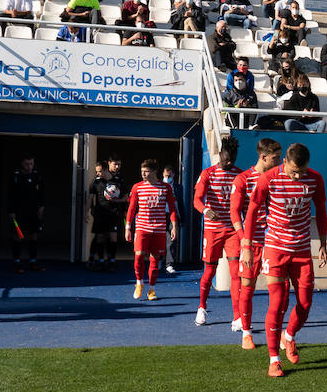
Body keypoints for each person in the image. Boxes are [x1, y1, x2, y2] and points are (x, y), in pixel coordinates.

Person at [241, 142, 327, 377]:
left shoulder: (315, 179)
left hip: (301, 250)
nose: (298, 176)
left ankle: (288, 336)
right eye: (294, 172)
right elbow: (252, 211)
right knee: (277, 303)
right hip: (275, 249)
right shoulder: (268, 179)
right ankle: (274, 359)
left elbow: (321, 210)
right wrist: (247, 246)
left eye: (302, 171)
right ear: (284, 162)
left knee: (305, 303)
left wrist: (323, 242)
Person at [230, 139, 282, 347]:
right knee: (247, 287)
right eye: (276, 158)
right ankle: (246, 333)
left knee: (279, 290)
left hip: (274, 243)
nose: (280, 161)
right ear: (263, 157)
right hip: (252, 244)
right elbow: (234, 213)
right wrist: (245, 242)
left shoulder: (279, 177)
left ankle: (278, 333)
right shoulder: (243, 179)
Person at [192, 136, 243, 327]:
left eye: (232, 160)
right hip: (213, 231)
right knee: (209, 271)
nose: (229, 163)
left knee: (236, 274)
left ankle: (237, 317)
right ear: (220, 155)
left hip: (232, 230)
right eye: (226, 159)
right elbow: (197, 200)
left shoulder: (240, 175)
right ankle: (202, 308)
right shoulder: (208, 174)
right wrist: (206, 210)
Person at [125, 159, 179, 301]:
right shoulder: (137, 187)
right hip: (142, 227)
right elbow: (131, 208)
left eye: (146, 171)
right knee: (138, 256)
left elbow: (172, 208)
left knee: (154, 260)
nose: (143, 174)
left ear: (155, 171)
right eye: (142, 171)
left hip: (159, 229)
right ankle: (139, 283)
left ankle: (151, 289)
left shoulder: (166, 188)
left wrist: (174, 226)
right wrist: (128, 227)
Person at [86, 156, 126, 271]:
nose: (97, 173)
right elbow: (90, 198)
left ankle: (111, 261)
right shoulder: (96, 182)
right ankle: (99, 260)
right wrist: (86, 212)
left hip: (113, 214)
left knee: (113, 237)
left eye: (99, 171)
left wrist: (117, 202)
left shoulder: (118, 181)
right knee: (99, 237)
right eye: (115, 164)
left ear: (105, 170)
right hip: (99, 214)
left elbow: (126, 197)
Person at [8, 155, 44, 274]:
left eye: (31, 164)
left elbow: (41, 193)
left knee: (34, 236)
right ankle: (17, 263)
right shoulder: (16, 176)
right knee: (17, 236)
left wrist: (41, 206)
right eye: (27, 164)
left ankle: (33, 263)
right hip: (18, 212)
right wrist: (11, 211)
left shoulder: (37, 176)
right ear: (22, 164)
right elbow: (10, 195)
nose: (29, 166)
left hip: (33, 212)